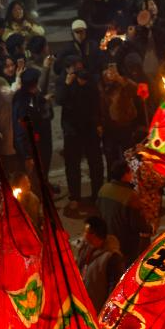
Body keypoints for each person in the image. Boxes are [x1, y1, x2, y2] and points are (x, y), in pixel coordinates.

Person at [57, 56, 103, 217]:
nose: (78, 70)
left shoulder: (88, 79)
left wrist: (98, 123)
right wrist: (67, 84)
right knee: (72, 164)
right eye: (75, 68)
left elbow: (96, 101)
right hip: (72, 129)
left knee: (95, 162)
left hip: (89, 127)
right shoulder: (63, 81)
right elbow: (60, 100)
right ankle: (74, 196)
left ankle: (97, 193)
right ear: (68, 69)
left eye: (80, 67)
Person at [95, 159, 152, 265]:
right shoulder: (130, 196)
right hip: (125, 243)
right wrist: (149, 228)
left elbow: (98, 213)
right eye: (130, 171)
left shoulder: (104, 189)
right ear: (125, 175)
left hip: (107, 237)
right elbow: (137, 224)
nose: (132, 174)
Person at [76, 216, 125, 313]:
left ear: (94, 234)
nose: (83, 234)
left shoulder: (112, 257)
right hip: (81, 302)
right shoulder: (86, 247)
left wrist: (107, 309)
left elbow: (114, 286)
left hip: (96, 307)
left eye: (86, 231)